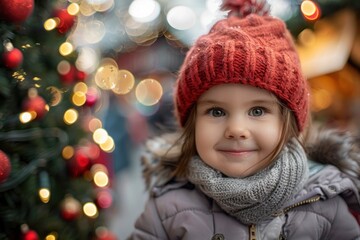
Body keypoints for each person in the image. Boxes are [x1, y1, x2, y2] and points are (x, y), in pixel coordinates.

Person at [129, 0, 360, 239]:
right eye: (217, 112)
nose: (237, 130)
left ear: (288, 124)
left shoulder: (327, 200)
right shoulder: (167, 210)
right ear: (193, 124)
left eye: (258, 111)